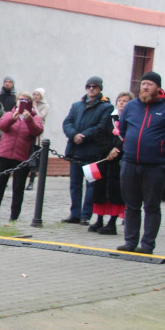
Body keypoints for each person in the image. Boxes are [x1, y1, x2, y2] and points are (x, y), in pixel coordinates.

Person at [117, 72, 165, 255]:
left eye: (150, 84)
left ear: (158, 88)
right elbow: (122, 129)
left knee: (151, 206)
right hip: (130, 163)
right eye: (143, 83)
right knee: (131, 205)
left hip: (155, 165)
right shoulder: (131, 106)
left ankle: (147, 245)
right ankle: (130, 242)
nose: (145, 87)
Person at [61, 76, 113, 224]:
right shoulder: (77, 105)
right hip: (75, 151)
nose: (91, 89)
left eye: (94, 86)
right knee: (75, 185)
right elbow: (68, 122)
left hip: (93, 153)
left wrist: (83, 135)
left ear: (100, 88)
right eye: (89, 86)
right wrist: (74, 134)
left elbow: (101, 127)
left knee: (92, 185)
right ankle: (75, 214)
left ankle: (86, 215)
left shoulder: (106, 107)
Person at [0, 92, 43, 222]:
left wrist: (29, 120)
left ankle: (14, 217)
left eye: (26, 100)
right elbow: (2, 126)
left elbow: (37, 131)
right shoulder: (9, 114)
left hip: (21, 157)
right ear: (16, 102)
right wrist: (13, 118)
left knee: (18, 188)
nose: (22, 102)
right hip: (4, 154)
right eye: (20, 100)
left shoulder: (35, 118)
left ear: (30, 103)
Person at [89, 91, 133, 235]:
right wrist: (109, 149)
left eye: (125, 101)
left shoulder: (131, 119)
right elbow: (100, 133)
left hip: (120, 161)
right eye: (119, 100)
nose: (121, 103)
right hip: (106, 158)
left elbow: (131, 137)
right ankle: (99, 219)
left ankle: (112, 222)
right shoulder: (110, 118)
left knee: (116, 191)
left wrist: (118, 150)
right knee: (100, 188)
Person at [26, 87, 49, 190]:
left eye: (38, 95)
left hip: (38, 135)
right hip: (28, 133)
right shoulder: (29, 104)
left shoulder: (45, 106)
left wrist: (35, 108)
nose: (35, 97)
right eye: (34, 94)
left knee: (35, 159)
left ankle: (31, 182)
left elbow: (40, 117)